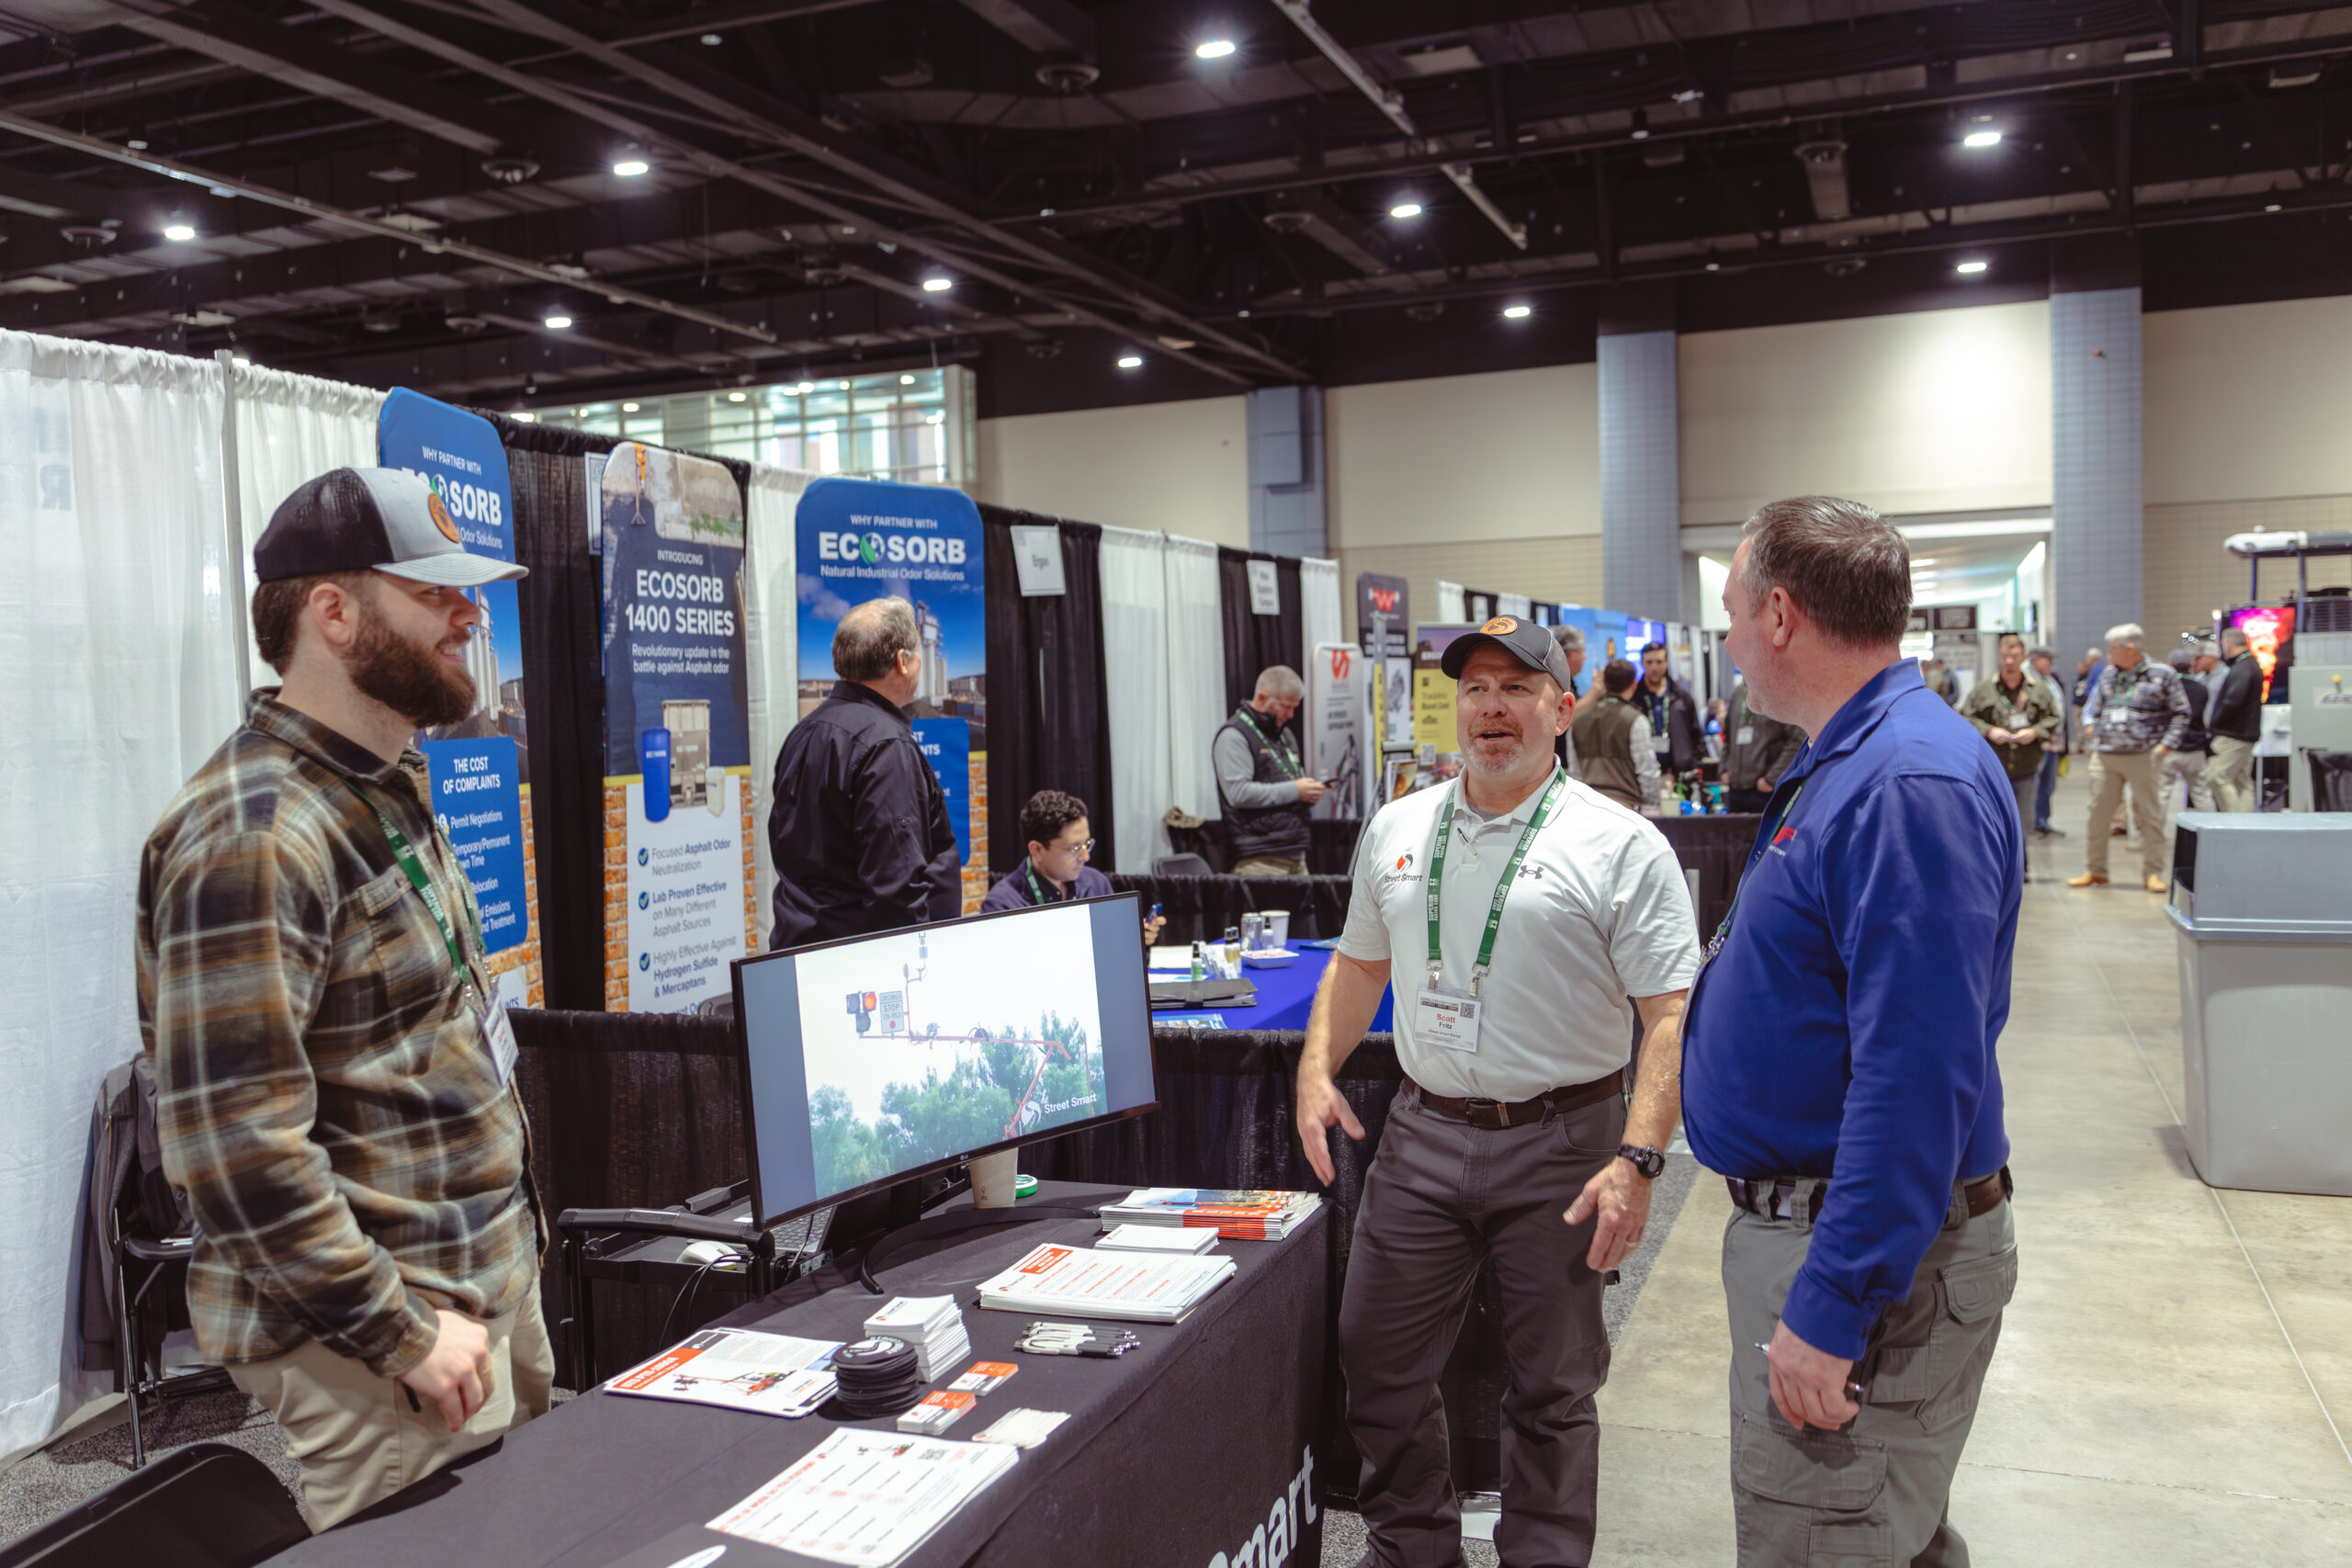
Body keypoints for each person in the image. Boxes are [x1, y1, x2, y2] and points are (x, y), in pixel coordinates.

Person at [138, 468, 550, 1531]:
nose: (471, 614)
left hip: (476, 1283)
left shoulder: (381, 779)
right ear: (333, 611)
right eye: (434, 592)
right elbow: (236, 1153)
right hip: (386, 1345)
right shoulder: (255, 835)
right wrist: (399, 1333)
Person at [1295, 615, 1698, 1568]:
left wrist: (1640, 1159)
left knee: (1552, 1385)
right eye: (1475, 688)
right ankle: (1412, 1548)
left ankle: (1543, 1554)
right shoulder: (1400, 826)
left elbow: (1670, 1015)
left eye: (1517, 688)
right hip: (1422, 1131)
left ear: (1562, 709)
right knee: (1377, 1358)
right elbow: (1359, 964)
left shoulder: (1620, 843)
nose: (1492, 707)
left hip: (1565, 1140)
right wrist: (1314, 1066)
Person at [1682, 495, 2018, 1567]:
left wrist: (1831, 1306)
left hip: (1857, 1258)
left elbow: (1913, 1080)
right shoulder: (1856, 759)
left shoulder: (1902, 784)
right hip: (1836, 1234)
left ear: (1780, 615)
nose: (1731, 644)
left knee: (1826, 1537)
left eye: (1734, 617)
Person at [769, 596, 962, 948]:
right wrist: (918, 962)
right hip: (862, 961)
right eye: (917, 653)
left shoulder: (803, 732)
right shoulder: (886, 746)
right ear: (902, 661)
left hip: (803, 948)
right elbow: (897, 889)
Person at [2066, 623, 2190, 894]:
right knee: (2098, 815)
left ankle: (2153, 873)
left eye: (2112, 648)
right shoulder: (2109, 674)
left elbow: (2182, 713)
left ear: (2131, 648)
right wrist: (2090, 725)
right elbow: (2094, 707)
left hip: (2143, 756)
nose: (2108, 653)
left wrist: (2165, 747)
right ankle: (2096, 870)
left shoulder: (2162, 674)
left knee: (2150, 816)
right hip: (2105, 755)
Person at [980, 788, 1167, 945]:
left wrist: (1133, 941)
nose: (1086, 856)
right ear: (1037, 850)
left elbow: (1113, 952)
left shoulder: (1096, 884)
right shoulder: (1003, 906)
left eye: (1087, 844)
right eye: (1075, 848)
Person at [1960, 632, 2062, 876]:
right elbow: (1966, 717)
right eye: (2005, 656)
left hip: (2026, 768)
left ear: (2023, 657)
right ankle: (1993, 870)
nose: (2009, 661)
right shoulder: (1984, 690)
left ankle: (2019, 869)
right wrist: (1989, 730)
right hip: (1993, 768)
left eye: (2014, 656)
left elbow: (2053, 717)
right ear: (1999, 657)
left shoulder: (2039, 690)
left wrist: (2034, 732)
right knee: (1992, 819)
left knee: (2022, 821)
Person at [1215, 665, 1325, 875]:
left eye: (1294, 708)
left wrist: (1308, 791)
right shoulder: (1233, 736)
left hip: (1296, 854)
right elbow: (1238, 793)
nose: (1291, 715)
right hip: (1259, 859)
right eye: (1286, 707)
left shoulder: (1284, 735)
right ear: (1262, 698)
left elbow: (1292, 780)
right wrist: (1296, 790)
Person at [1566, 659, 1661, 810]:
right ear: (1634, 685)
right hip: (1625, 809)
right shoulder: (1636, 720)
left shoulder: (1578, 722)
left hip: (1587, 809)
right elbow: (1647, 771)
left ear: (1604, 683)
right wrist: (1650, 806)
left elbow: (1575, 772)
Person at [1720, 679, 1805, 813]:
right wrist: (1724, 769)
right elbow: (1727, 736)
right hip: (1735, 788)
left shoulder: (1777, 691)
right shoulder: (1738, 693)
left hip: (1765, 789)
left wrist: (1771, 779)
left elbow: (1797, 740)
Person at [2207, 626, 2264, 812]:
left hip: (2235, 733)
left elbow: (2232, 701)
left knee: (2217, 776)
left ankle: (2233, 822)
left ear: (2229, 644)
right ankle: (2245, 822)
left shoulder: (2242, 668)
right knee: (2242, 781)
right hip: (2245, 732)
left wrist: (2216, 723)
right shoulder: (2249, 664)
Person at [2164, 644, 2218, 815]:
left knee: (2162, 793)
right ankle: (2210, 829)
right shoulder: (2201, 689)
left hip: (2169, 747)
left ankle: (2154, 831)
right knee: (2202, 794)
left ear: (2170, 665)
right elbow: (2206, 718)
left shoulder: (2166, 688)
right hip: (2195, 748)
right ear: (2191, 664)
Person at [1637, 639, 1703, 778]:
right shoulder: (1635, 698)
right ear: (1642, 663)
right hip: (1643, 774)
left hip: (1680, 775)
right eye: (1649, 662)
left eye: (1659, 662)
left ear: (1667, 662)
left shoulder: (1683, 698)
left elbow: (1696, 735)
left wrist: (1692, 764)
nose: (1654, 667)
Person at [2028, 645, 2066, 836]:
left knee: (2048, 784)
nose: (2051, 663)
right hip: (2036, 742)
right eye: (2048, 659)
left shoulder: (2050, 680)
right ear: (2036, 659)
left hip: (2053, 742)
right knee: (2033, 784)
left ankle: (2043, 821)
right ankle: (2032, 823)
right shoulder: (2026, 680)